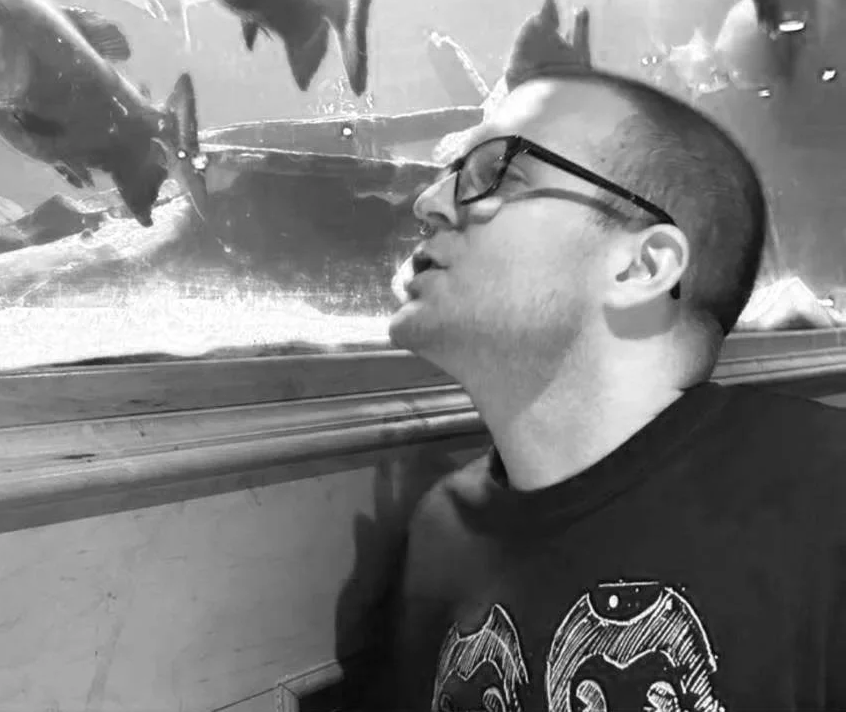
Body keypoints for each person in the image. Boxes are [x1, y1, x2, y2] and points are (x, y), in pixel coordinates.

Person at [363, 66, 846, 711]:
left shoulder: (825, 496)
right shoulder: (441, 532)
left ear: (643, 265)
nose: (430, 202)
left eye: (495, 171)